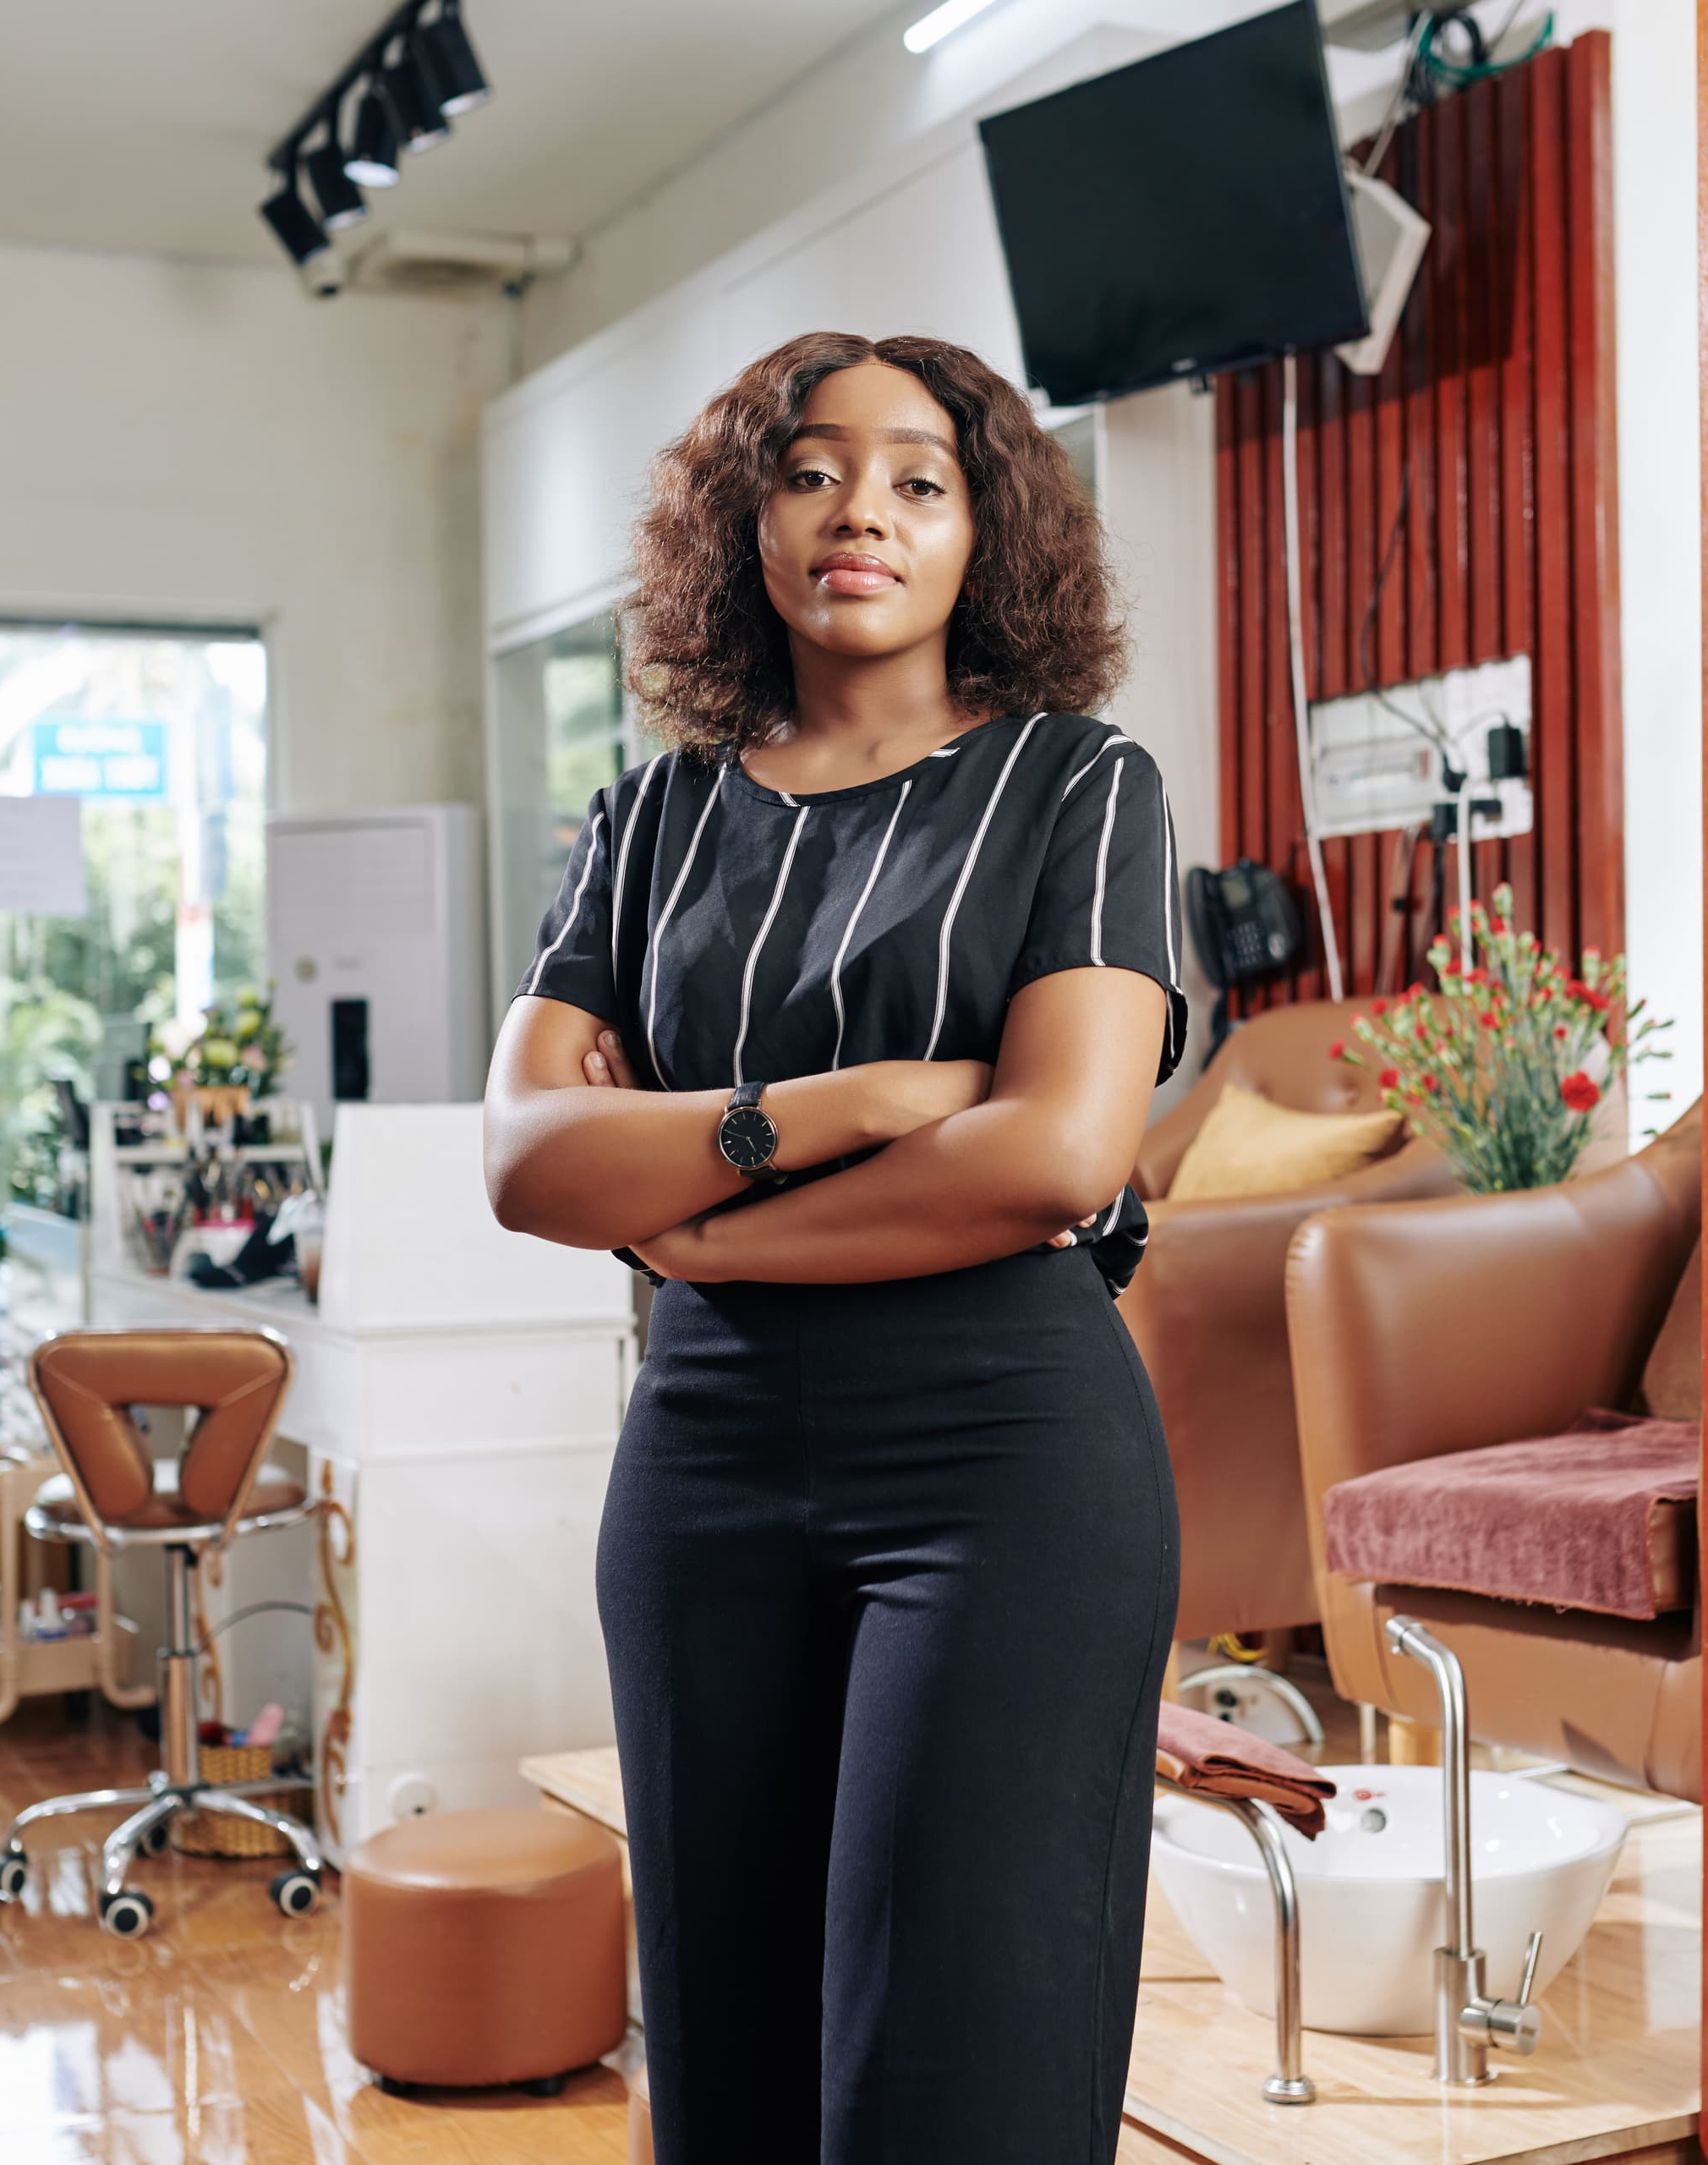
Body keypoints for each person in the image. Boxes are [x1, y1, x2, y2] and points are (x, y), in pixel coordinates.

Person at [484, 331, 1185, 2162]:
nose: (858, 505)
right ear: (746, 522)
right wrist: (847, 1104)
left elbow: (1055, 1151)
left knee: (964, 2068)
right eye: (807, 468)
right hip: (702, 1458)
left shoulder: (1077, 787)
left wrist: (704, 1232)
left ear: (985, 535)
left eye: (917, 477)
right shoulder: (645, 823)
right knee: (722, 2070)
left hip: (1002, 1455)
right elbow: (528, 1158)